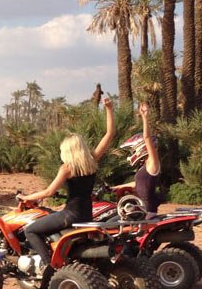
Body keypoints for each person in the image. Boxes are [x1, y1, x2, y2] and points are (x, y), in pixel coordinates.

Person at [18, 97, 117, 276]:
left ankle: (50, 266)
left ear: (68, 151)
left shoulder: (67, 168)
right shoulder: (92, 161)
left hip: (69, 215)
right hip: (87, 213)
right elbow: (110, 134)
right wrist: (109, 108)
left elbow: (49, 191)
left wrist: (26, 197)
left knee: (30, 230)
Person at [114, 103, 161, 218]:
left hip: (146, 212)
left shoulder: (153, 163)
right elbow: (138, 184)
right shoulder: (145, 167)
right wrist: (116, 187)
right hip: (140, 209)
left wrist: (145, 117)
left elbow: (147, 137)